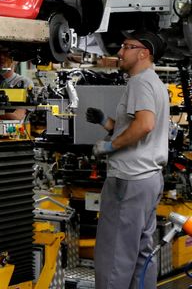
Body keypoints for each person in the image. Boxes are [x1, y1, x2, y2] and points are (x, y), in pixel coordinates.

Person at [85, 30, 168, 289]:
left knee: (114, 256)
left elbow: (144, 125)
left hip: (129, 180)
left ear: (144, 53)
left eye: (127, 47)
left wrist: (110, 146)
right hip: (149, 179)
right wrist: (106, 123)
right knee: (142, 253)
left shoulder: (140, 83)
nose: (120, 52)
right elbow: (139, 128)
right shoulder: (154, 83)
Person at [0, 46, 32, 120]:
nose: (1, 57)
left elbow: (17, 116)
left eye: (6, 54)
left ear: (16, 60)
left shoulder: (23, 82)